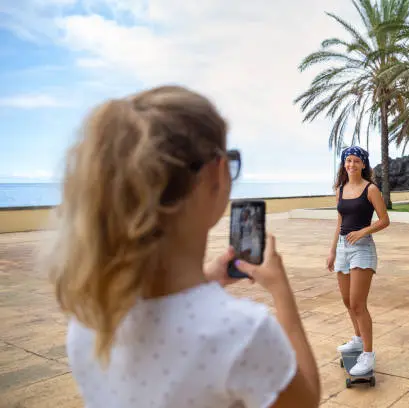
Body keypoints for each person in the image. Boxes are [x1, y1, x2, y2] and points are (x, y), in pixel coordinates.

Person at [45, 86, 320, 408]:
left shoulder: (90, 319)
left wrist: (207, 278)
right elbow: (306, 400)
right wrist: (281, 293)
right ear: (216, 172)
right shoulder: (241, 333)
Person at [326, 146, 390, 376]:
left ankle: (368, 355)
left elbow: (384, 220)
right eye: (347, 160)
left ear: (363, 164)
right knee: (346, 300)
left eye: (355, 161)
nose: (351, 164)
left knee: (357, 303)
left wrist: (362, 232)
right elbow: (339, 222)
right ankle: (357, 339)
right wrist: (332, 251)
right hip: (343, 247)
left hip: (362, 248)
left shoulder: (370, 189)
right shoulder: (340, 189)